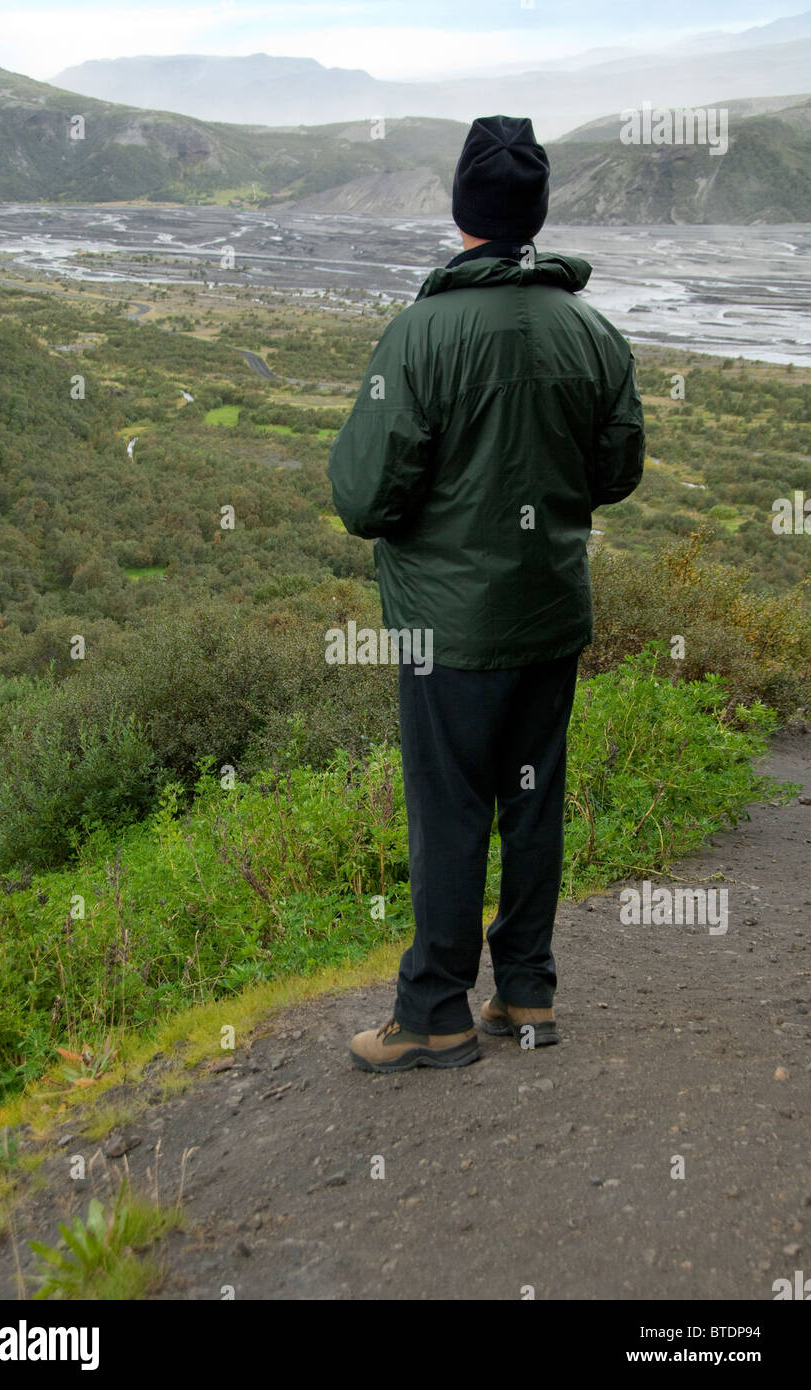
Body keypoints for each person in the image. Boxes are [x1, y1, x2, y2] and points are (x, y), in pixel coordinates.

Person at [327, 114, 645, 1073]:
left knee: (450, 809)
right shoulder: (591, 330)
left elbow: (362, 494)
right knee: (532, 801)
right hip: (548, 613)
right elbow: (616, 470)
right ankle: (527, 995)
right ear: (536, 214)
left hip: (445, 629)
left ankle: (434, 1014)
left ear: (462, 211)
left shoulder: (421, 334)